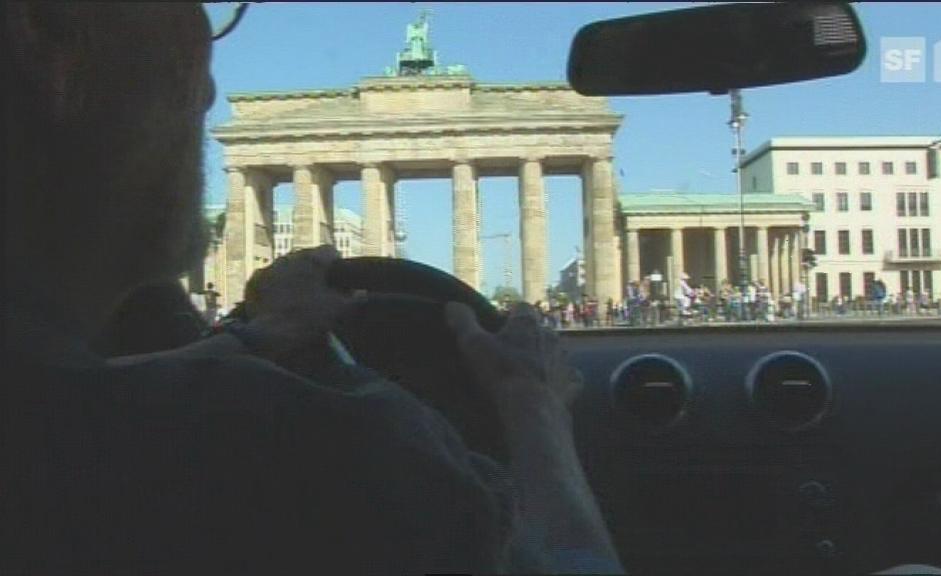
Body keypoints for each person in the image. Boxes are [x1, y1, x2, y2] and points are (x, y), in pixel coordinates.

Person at [3, 4, 621, 574]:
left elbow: (87, 389)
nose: (212, 91)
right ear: (52, 47)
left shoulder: (50, 406)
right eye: (193, 15)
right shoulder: (331, 448)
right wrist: (534, 407)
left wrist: (245, 339)